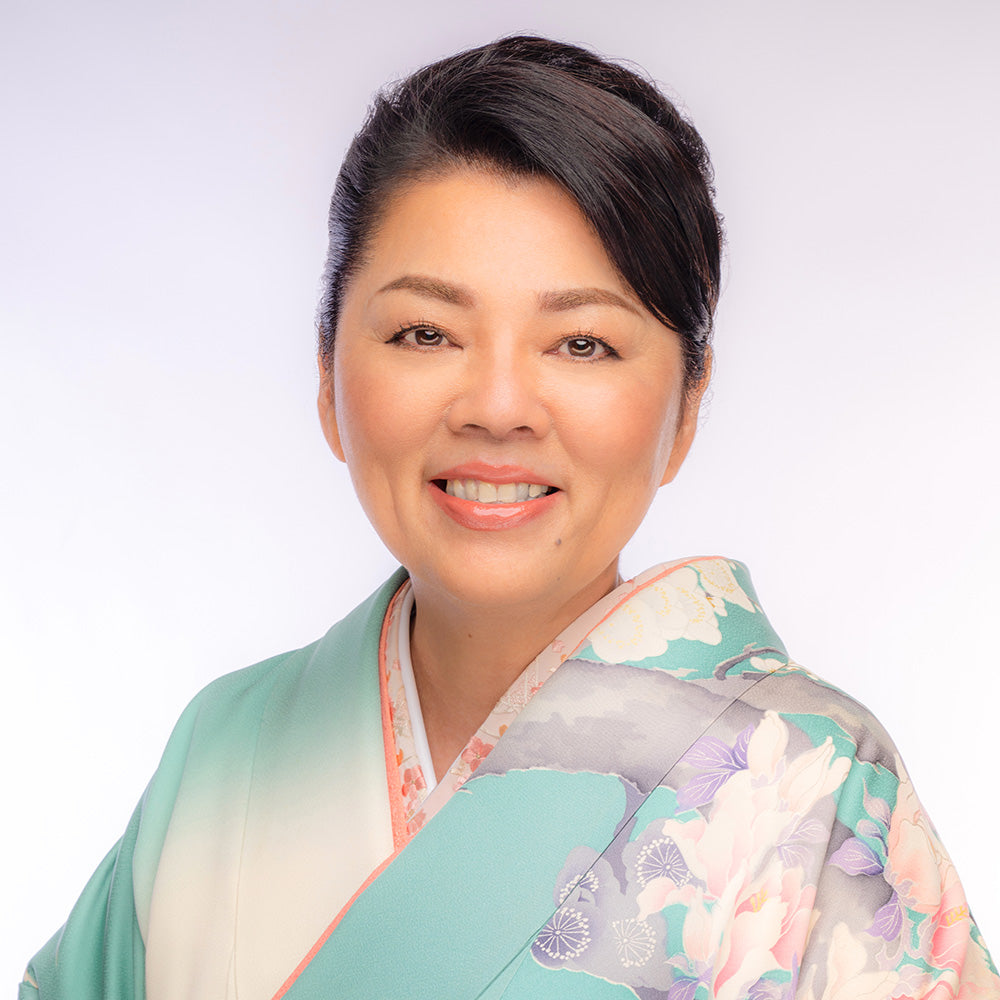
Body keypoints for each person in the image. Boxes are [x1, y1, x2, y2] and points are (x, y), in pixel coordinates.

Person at [21, 34, 998, 1000]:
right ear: (326, 375)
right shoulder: (227, 750)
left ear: (687, 406)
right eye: (425, 332)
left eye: (581, 343)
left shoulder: (808, 784)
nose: (497, 406)